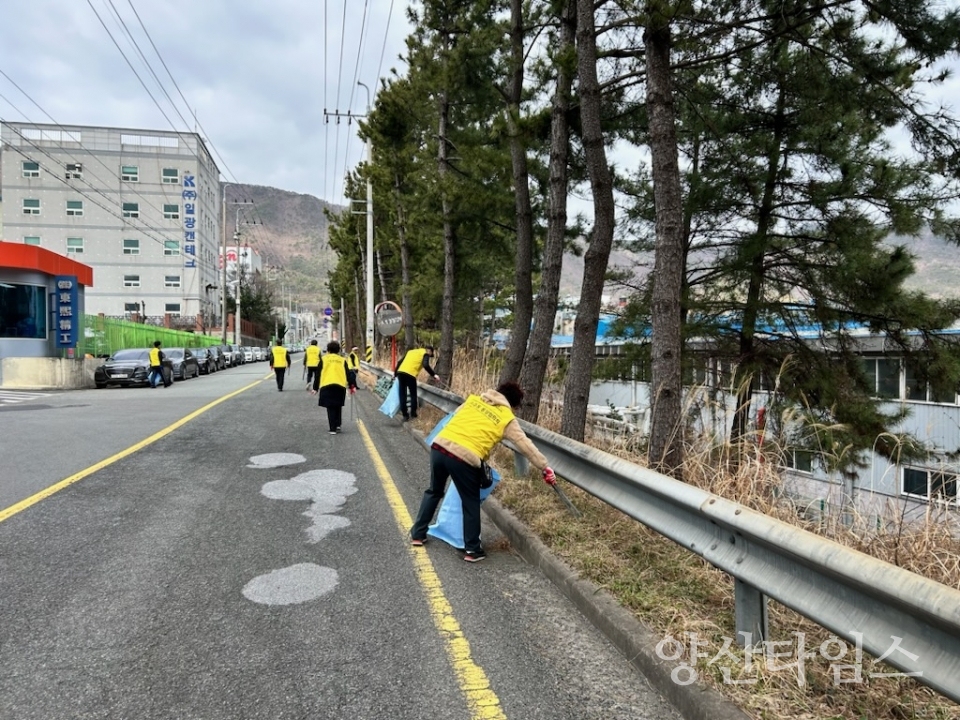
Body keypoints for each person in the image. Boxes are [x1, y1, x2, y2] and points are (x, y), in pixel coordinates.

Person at [409, 381, 557, 563]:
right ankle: (472, 549)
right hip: (464, 457)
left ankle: (418, 533)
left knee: (434, 491)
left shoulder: (473, 400)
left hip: (440, 447)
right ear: (513, 404)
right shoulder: (506, 417)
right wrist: (544, 466)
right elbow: (525, 445)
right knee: (470, 501)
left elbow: (453, 417)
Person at [394, 343, 440, 422]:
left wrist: (395, 374)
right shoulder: (425, 353)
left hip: (401, 373)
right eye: (431, 354)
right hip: (410, 375)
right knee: (413, 394)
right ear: (429, 351)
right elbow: (425, 365)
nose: (429, 356)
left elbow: (399, 362)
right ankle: (413, 414)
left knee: (402, 394)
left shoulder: (411, 352)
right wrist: (434, 375)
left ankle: (405, 415)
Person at [317, 341, 348, 434]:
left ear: (328, 350)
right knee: (338, 405)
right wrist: (352, 385)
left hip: (327, 385)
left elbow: (318, 374)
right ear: (338, 350)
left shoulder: (323, 359)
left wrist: (315, 387)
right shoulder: (342, 360)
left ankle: (332, 428)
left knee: (330, 407)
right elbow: (348, 373)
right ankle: (338, 424)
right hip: (340, 385)